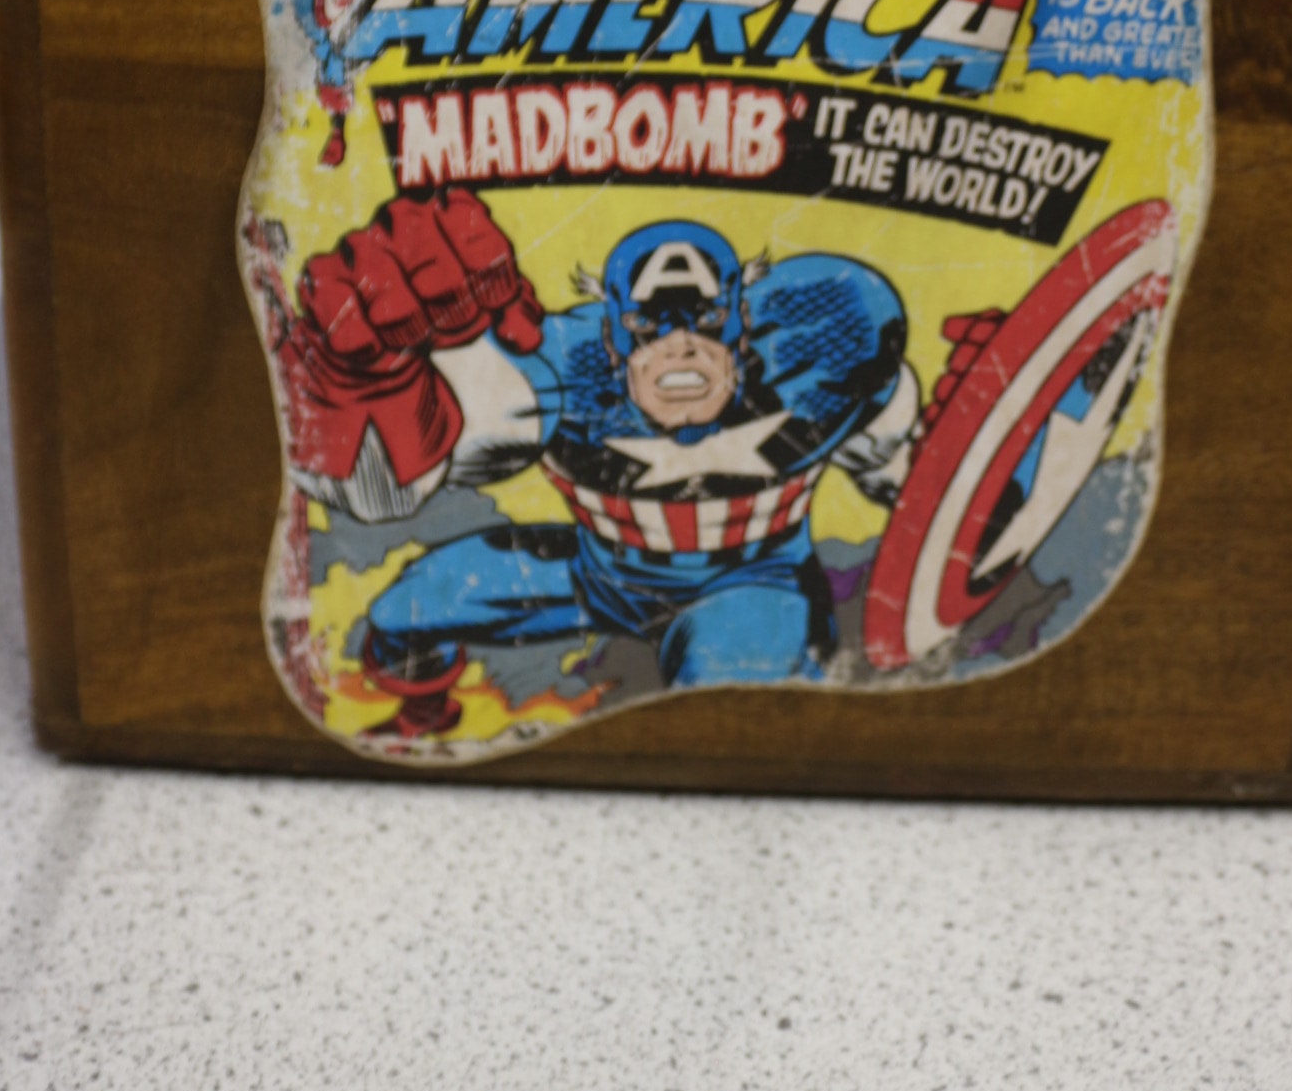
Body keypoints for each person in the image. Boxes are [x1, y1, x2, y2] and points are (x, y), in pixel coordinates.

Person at [261, 191, 919, 735]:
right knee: (403, 613)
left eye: (705, 319)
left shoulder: (827, 341)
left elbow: (892, 450)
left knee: (731, 711)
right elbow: (391, 485)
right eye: (649, 326)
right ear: (610, 333)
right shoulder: (555, 371)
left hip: (757, 581)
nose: (680, 347)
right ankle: (425, 720)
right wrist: (356, 387)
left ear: (741, 319)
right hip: (596, 573)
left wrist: (918, 500)